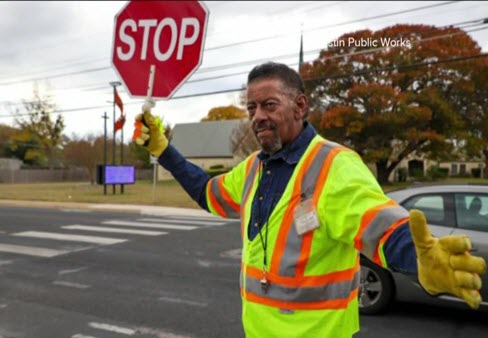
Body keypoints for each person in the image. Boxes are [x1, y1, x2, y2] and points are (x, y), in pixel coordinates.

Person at [134, 62, 486, 338]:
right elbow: (209, 193)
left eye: (269, 105)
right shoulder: (254, 167)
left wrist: (418, 258)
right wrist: (164, 150)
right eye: (251, 107)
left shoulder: (334, 165)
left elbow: (380, 225)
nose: (258, 116)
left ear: (300, 105)